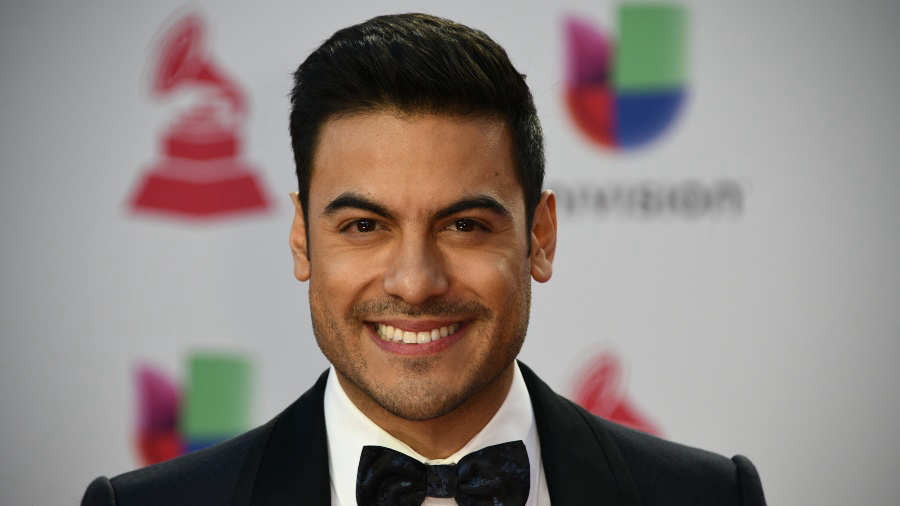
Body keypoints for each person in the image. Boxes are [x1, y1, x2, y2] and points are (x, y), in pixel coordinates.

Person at [83, 13, 765, 506]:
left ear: (540, 237)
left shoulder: (708, 497)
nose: (414, 282)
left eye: (464, 225)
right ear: (301, 239)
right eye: (364, 226)